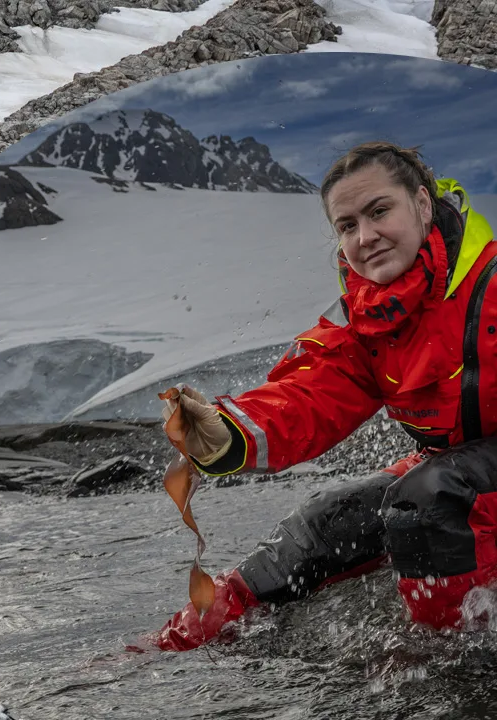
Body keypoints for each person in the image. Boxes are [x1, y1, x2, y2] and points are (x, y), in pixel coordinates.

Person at [152, 141, 497, 652]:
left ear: (423, 206)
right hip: (457, 468)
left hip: (456, 482)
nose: (366, 236)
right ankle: (185, 635)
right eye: (348, 225)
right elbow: (308, 392)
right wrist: (229, 432)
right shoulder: (363, 318)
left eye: (380, 211)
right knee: (325, 522)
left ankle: (449, 656)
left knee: (431, 497)